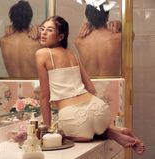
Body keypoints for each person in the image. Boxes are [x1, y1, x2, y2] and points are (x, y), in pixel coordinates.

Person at [35, 15, 144, 155]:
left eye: (49, 30)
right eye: (42, 29)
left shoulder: (42, 53)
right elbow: (91, 88)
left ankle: (113, 133)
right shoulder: (71, 55)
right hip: (99, 108)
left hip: (72, 115)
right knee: (85, 128)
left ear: (60, 36)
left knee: (60, 135)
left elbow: (44, 96)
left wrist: (48, 129)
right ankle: (115, 131)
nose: (43, 32)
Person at [75, 2, 121, 76]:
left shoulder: (79, 41)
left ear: (88, 17)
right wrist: (120, 25)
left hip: (89, 86)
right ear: (107, 16)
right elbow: (131, 35)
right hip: (112, 86)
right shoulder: (118, 38)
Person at [0, 0, 42, 78]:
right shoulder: (39, 42)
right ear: (30, 17)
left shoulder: (3, 41)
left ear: (11, 18)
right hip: (34, 87)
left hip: (13, 87)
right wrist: (38, 27)